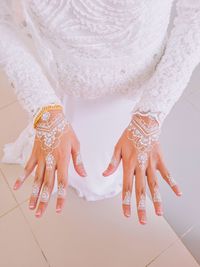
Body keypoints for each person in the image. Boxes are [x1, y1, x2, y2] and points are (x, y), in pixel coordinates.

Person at [0, 0, 199, 225]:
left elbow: (195, 15)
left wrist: (150, 114)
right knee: (67, 156)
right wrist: (44, 108)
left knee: (97, 177)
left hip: (129, 78)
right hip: (57, 68)